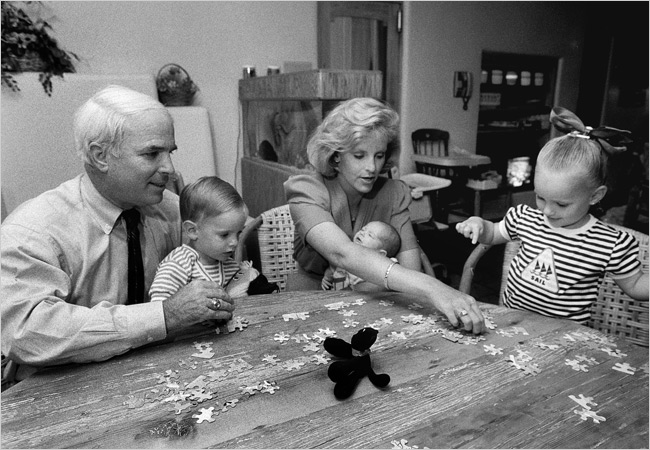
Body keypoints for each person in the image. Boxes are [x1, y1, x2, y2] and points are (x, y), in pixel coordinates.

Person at [0, 85, 234, 378]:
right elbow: (26, 334)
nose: (171, 169)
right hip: (58, 389)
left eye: (170, 152)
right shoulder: (34, 231)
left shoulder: (175, 212)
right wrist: (165, 316)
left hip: (161, 376)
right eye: (152, 154)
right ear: (100, 156)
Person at [284, 97, 484, 333]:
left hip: (372, 300)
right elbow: (342, 253)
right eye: (359, 155)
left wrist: (378, 288)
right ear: (336, 155)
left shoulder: (394, 192)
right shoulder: (306, 189)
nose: (372, 168)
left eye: (379, 155)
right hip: (311, 297)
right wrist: (434, 287)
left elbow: (411, 268)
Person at [456, 107, 648, 323]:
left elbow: (635, 285)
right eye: (540, 198)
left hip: (564, 337)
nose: (547, 211)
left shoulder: (611, 244)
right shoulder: (524, 218)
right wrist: (479, 225)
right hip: (511, 324)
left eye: (561, 204)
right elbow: (491, 234)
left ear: (595, 196)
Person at [149, 176, 259, 302]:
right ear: (192, 231)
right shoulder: (179, 265)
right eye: (224, 235)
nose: (234, 242)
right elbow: (161, 308)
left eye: (238, 233)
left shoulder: (229, 265)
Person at [321, 221, 400, 292]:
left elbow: (393, 274)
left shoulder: (381, 266)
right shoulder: (347, 252)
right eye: (363, 229)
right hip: (334, 299)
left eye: (370, 235)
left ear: (381, 254)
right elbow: (333, 266)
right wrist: (327, 277)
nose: (362, 233)